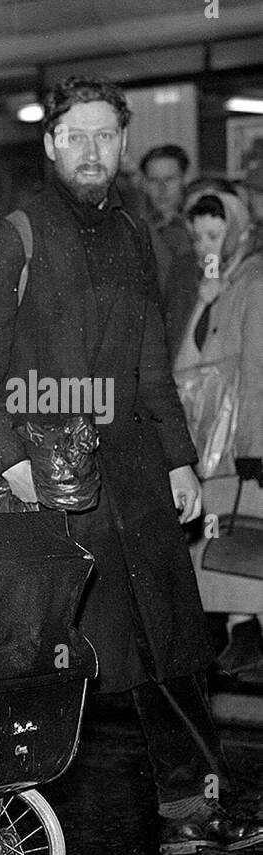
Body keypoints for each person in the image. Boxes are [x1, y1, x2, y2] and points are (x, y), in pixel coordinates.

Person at [0, 74, 263, 855]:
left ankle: (191, 808)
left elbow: (154, 365)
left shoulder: (134, 238)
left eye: (106, 136)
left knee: (175, 644)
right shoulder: (9, 238)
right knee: (35, 664)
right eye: (75, 136)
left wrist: (181, 462)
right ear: (51, 144)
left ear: (122, 144)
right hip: (50, 488)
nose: (92, 151)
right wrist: (14, 470)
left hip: (134, 478)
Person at [170, 188, 263, 674]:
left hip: (239, 436)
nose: (206, 245)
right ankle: (239, 630)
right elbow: (184, 368)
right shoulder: (214, 285)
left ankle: (247, 632)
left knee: (244, 534)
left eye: (215, 234)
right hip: (210, 435)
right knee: (225, 537)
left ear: (240, 230)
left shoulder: (255, 280)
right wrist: (202, 307)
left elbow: (257, 367)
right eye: (199, 236)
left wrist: (254, 444)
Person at [138, 144, 194, 294]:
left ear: (185, 178)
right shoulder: (135, 227)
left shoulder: (200, 224)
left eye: (169, 179)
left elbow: (212, 266)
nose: (161, 188)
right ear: (144, 184)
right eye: (153, 180)